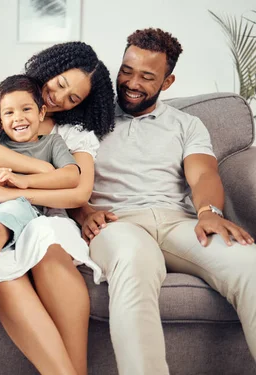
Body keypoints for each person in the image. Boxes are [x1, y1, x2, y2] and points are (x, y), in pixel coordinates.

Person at [71, 28, 256, 375]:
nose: (131, 82)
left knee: (249, 264)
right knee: (134, 258)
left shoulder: (186, 124)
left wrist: (209, 212)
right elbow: (63, 174)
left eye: (146, 76)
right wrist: (83, 212)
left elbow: (202, 174)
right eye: (127, 70)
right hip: (116, 222)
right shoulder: (87, 118)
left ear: (167, 82)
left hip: (178, 221)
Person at [0, 41, 115, 375]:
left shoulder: (69, 134)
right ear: (49, 68)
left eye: (73, 98)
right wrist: (36, 171)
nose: (58, 97)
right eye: (59, 83)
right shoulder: (3, 109)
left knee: (45, 237)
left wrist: (18, 188)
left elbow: (78, 190)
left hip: (45, 214)